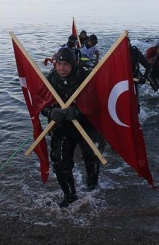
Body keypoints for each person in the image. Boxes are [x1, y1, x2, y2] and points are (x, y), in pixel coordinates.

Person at [41, 47, 106, 208]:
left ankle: (92, 187)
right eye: (58, 64)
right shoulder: (52, 78)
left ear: (73, 64)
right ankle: (70, 195)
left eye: (66, 64)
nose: (61, 68)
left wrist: (77, 111)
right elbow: (41, 103)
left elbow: (98, 103)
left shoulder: (85, 77)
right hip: (63, 125)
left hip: (87, 125)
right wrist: (50, 112)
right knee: (59, 160)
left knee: (91, 157)